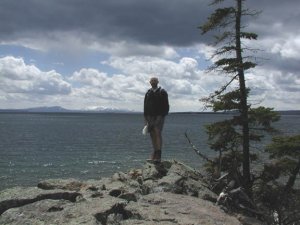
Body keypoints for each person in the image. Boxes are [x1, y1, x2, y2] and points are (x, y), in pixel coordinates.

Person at [144, 77, 169, 162]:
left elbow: (166, 106)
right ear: (150, 82)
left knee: (157, 133)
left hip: (159, 116)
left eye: (155, 81)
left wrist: (161, 116)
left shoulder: (162, 92)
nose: (153, 82)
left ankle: (159, 154)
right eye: (152, 81)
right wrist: (146, 118)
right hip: (149, 116)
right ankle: (154, 152)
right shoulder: (148, 92)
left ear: (158, 82)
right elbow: (145, 106)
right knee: (152, 134)